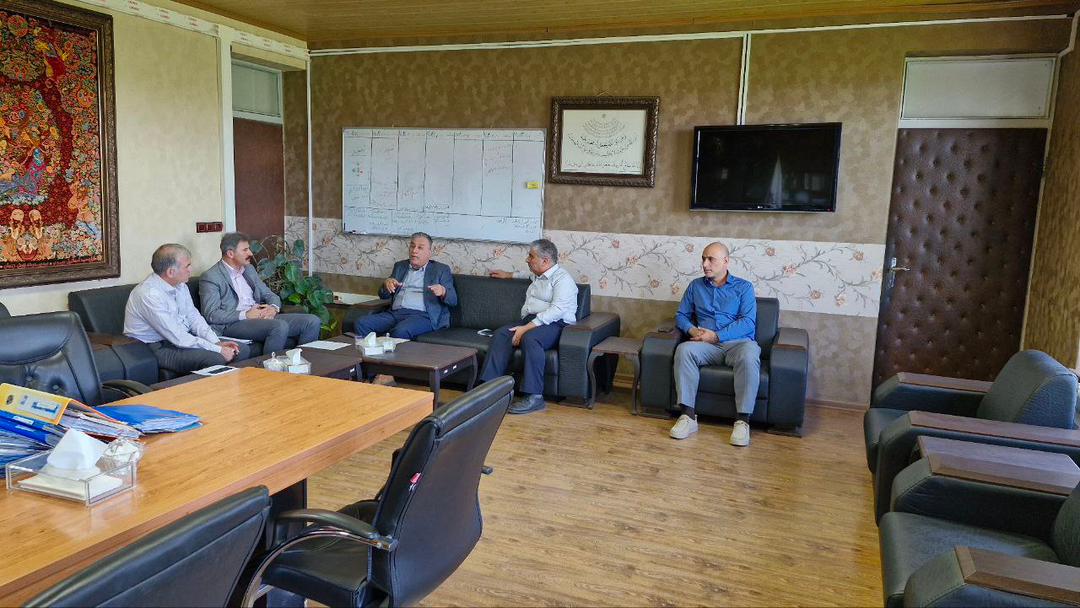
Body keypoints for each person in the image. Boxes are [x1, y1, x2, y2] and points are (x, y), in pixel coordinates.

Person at [669, 242, 760, 446]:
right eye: (703, 259)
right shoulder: (695, 286)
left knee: (750, 354)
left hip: (738, 344)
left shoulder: (744, 287)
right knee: (684, 350)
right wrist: (693, 331)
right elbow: (681, 316)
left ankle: (742, 421)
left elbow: (748, 322)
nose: (705, 264)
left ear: (726, 261)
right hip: (706, 345)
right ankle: (688, 417)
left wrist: (716, 336)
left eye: (711, 259)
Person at [481, 239, 578, 415]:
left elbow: (557, 311)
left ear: (545, 261)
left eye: (531, 256)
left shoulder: (563, 280)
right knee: (502, 334)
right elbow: (526, 275)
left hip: (557, 324)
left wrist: (525, 328)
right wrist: (508, 275)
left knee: (531, 339)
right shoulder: (539, 274)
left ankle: (534, 397)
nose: (527, 259)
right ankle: (489, 389)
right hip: (533, 320)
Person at [124, 243, 249, 375]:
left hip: (180, 340)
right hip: (153, 347)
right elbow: (177, 336)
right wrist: (218, 350)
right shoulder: (149, 294)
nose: (191, 269)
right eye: (187, 266)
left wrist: (216, 342)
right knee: (215, 358)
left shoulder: (180, 285)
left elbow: (193, 316)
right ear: (171, 272)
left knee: (241, 350)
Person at [199, 233, 322, 355]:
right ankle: (269, 366)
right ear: (230, 254)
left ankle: (303, 364)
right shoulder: (211, 277)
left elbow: (269, 294)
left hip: (260, 316)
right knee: (278, 326)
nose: (250, 253)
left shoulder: (249, 269)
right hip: (233, 323)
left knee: (312, 321)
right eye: (245, 250)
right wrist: (245, 315)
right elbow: (211, 314)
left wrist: (273, 308)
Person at [355, 232, 457, 339]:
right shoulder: (400, 266)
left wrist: (443, 291)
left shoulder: (441, 269)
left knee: (400, 331)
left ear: (429, 252)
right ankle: (374, 349)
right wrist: (386, 285)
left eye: (420, 248)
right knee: (362, 323)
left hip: (423, 316)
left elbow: (453, 300)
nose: (414, 250)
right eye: (412, 246)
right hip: (395, 313)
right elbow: (383, 295)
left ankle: (388, 348)